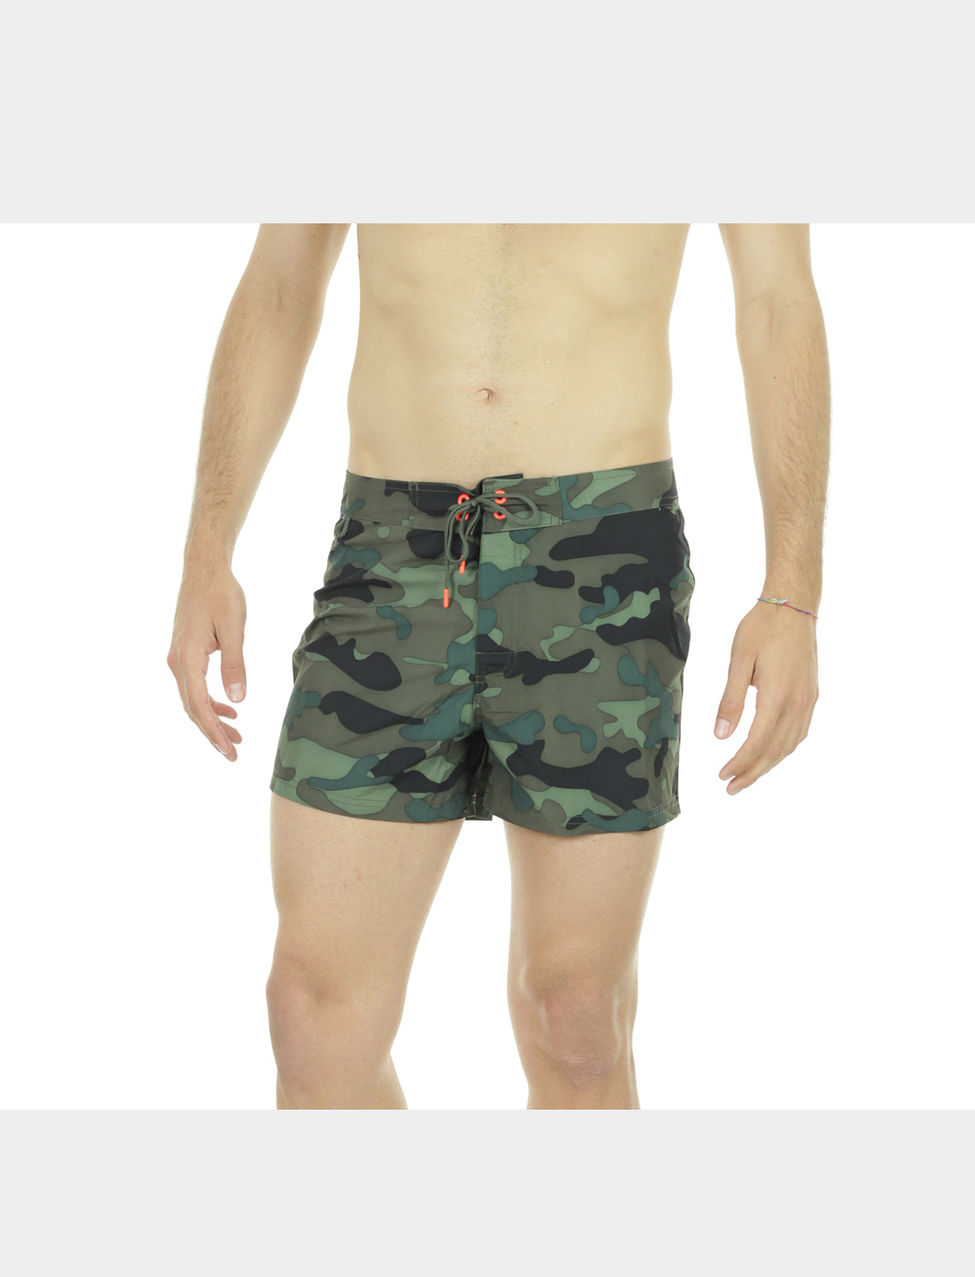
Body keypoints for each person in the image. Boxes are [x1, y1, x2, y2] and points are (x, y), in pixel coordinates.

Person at [167, 223, 828, 1110]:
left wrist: (791, 594)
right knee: (312, 1016)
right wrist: (207, 549)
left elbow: (777, 299)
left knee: (576, 1018)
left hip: (602, 552)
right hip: (392, 550)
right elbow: (280, 283)